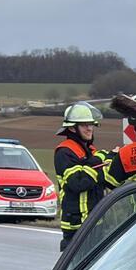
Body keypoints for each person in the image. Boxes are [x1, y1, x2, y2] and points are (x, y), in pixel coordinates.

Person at [53, 102, 110, 249]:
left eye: (91, 124)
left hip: (94, 223)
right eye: (84, 125)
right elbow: (78, 183)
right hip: (76, 226)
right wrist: (100, 160)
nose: (90, 128)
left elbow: (102, 181)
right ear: (72, 128)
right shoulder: (64, 152)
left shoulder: (90, 151)